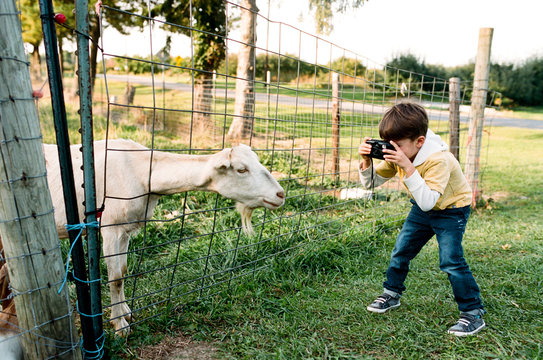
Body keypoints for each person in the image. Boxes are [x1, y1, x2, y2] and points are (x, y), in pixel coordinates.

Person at [358, 102, 485, 336]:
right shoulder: (400, 154)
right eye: (388, 144)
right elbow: (370, 184)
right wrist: (367, 161)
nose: (391, 150)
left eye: (398, 145)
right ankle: (392, 294)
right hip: (422, 208)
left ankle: (472, 312)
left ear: (419, 142)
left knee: (451, 260)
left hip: (451, 209)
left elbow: (429, 201)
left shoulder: (438, 160)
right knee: (401, 249)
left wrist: (407, 166)